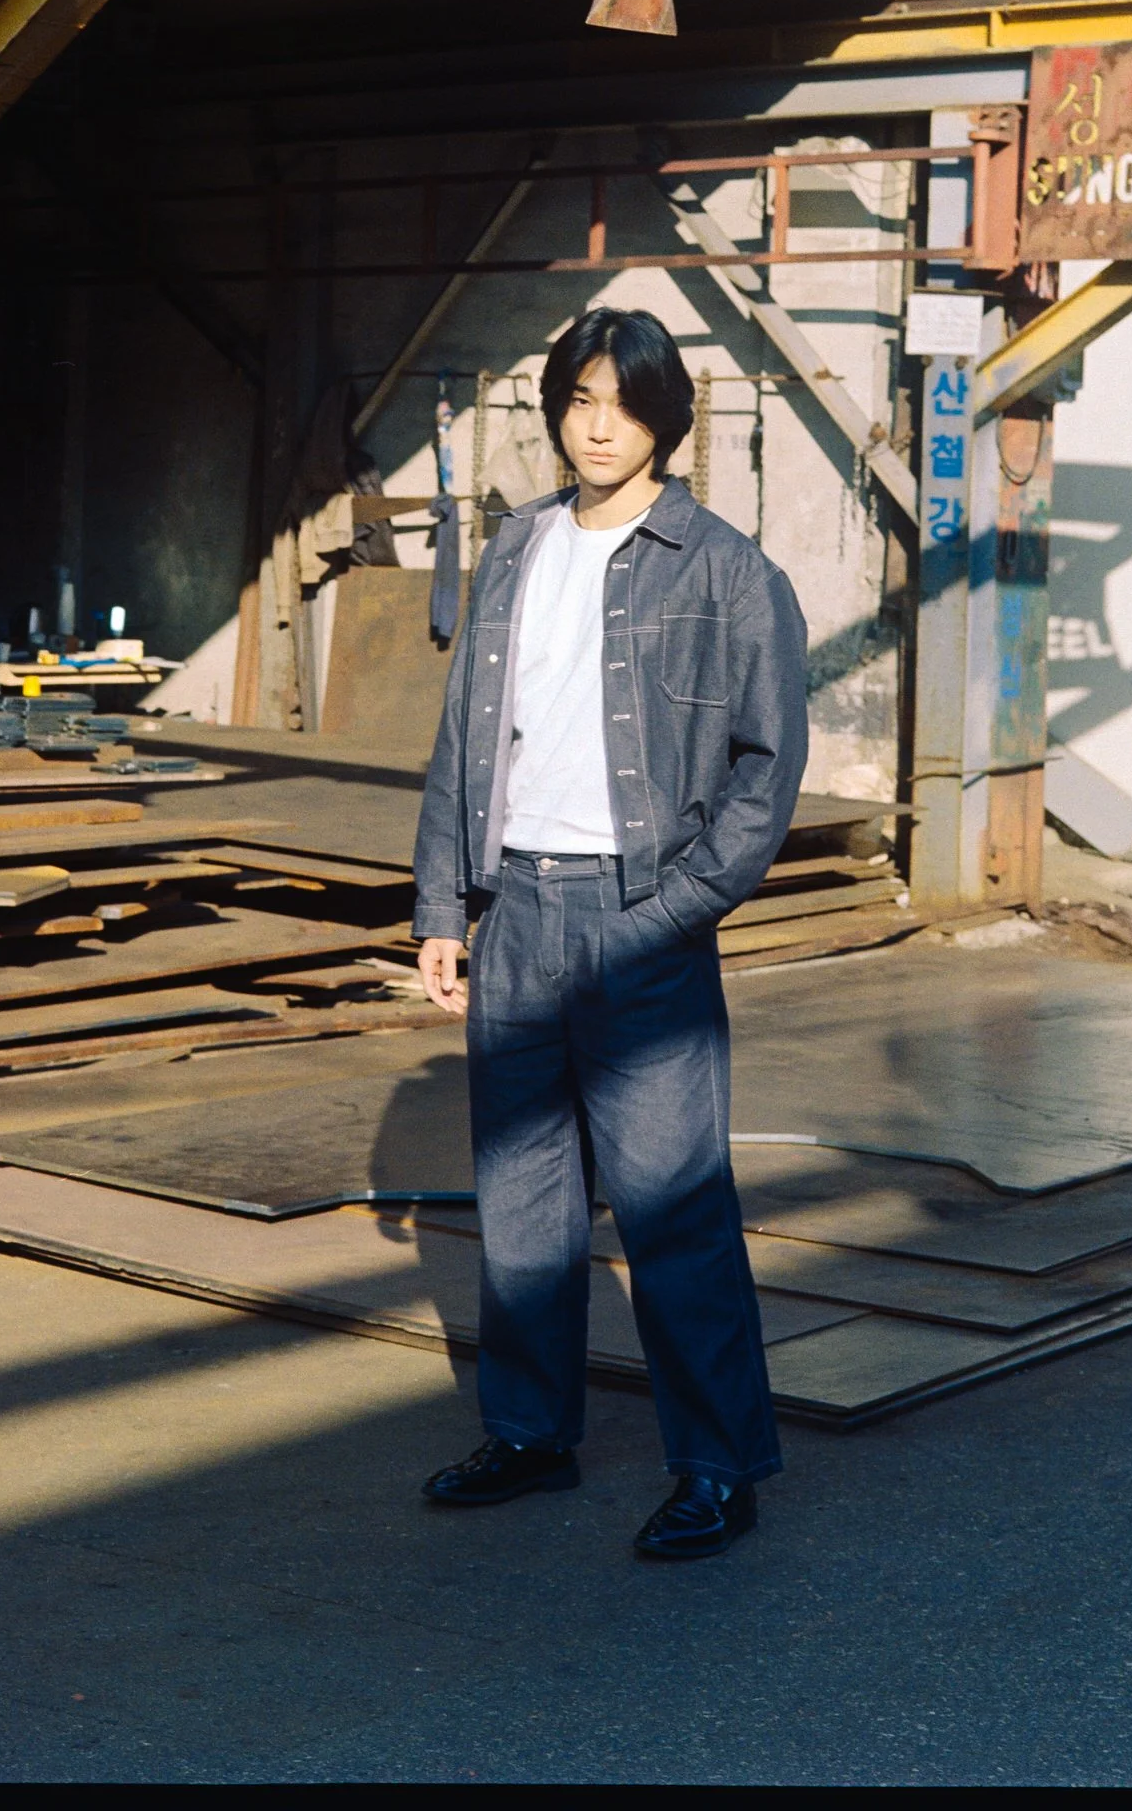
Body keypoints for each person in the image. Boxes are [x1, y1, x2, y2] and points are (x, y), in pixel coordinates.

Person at [411, 307, 809, 1560]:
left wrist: (679, 909)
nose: (598, 426)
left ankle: (718, 1466)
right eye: (579, 399)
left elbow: (768, 770)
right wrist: (443, 905)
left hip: (641, 920)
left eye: (625, 403)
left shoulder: (726, 570)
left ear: (665, 419)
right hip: (516, 910)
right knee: (523, 1199)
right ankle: (532, 1432)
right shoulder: (518, 547)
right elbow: (464, 736)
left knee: (672, 1205)